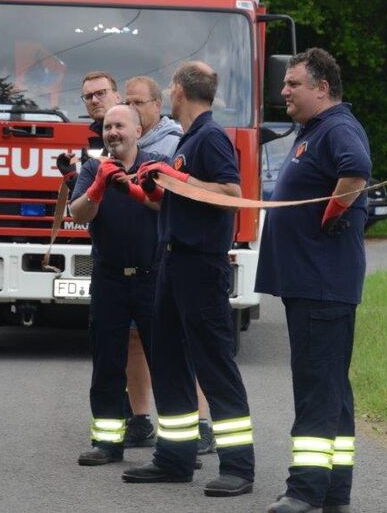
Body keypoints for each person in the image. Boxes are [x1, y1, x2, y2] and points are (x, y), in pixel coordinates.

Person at [121, 61, 254, 497]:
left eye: (169, 87)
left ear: (178, 91)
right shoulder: (190, 139)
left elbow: (231, 195)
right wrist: (153, 188)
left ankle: (238, 467)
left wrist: (181, 177)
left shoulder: (211, 137)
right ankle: (174, 458)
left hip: (201, 267)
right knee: (170, 364)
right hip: (173, 264)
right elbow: (184, 201)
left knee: (214, 365)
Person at [256, 48, 371, 513]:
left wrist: (333, 212)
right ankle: (334, 491)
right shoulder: (315, 130)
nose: (283, 90)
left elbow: (356, 170)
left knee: (316, 389)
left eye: (293, 84)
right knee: (332, 391)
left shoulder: (338, 127)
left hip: (322, 285)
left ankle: (304, 491)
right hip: (312, 286)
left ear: (322, 88)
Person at [56, 72, 157, 449]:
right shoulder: (91, 169)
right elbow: (79, 214)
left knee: (165, 362)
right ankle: (107, 443)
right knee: (107, 365)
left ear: (137, 130)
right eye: (108, 127)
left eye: (120, 126)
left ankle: (177, 450)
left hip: (152, 278)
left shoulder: (157, 162)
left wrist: (137, 186)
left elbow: (168, 206)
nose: (113, 132)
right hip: (109, 279)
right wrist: (97, 187)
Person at [125, 75, 217, 455]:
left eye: (138, 103)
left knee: (190, 347)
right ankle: (171, 447)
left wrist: (160, 181)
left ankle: (206, 430)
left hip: (180, 258)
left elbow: (227, 194)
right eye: (126, 103)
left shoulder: (186, 141)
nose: (131, 110)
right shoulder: (139, 140)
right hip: (154, 257)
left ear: (162, 102)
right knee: (155, 347)